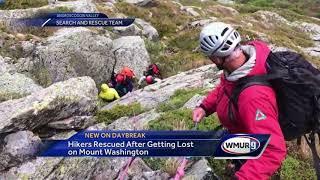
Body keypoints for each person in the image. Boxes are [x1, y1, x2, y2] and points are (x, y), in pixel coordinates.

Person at [193, 22, 286, 179]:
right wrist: (204, 107)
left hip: (252, 147)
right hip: (240, 135)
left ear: (216, 58)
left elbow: (272, 149)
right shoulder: (238, 67)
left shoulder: (253, 96)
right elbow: (225, 88)